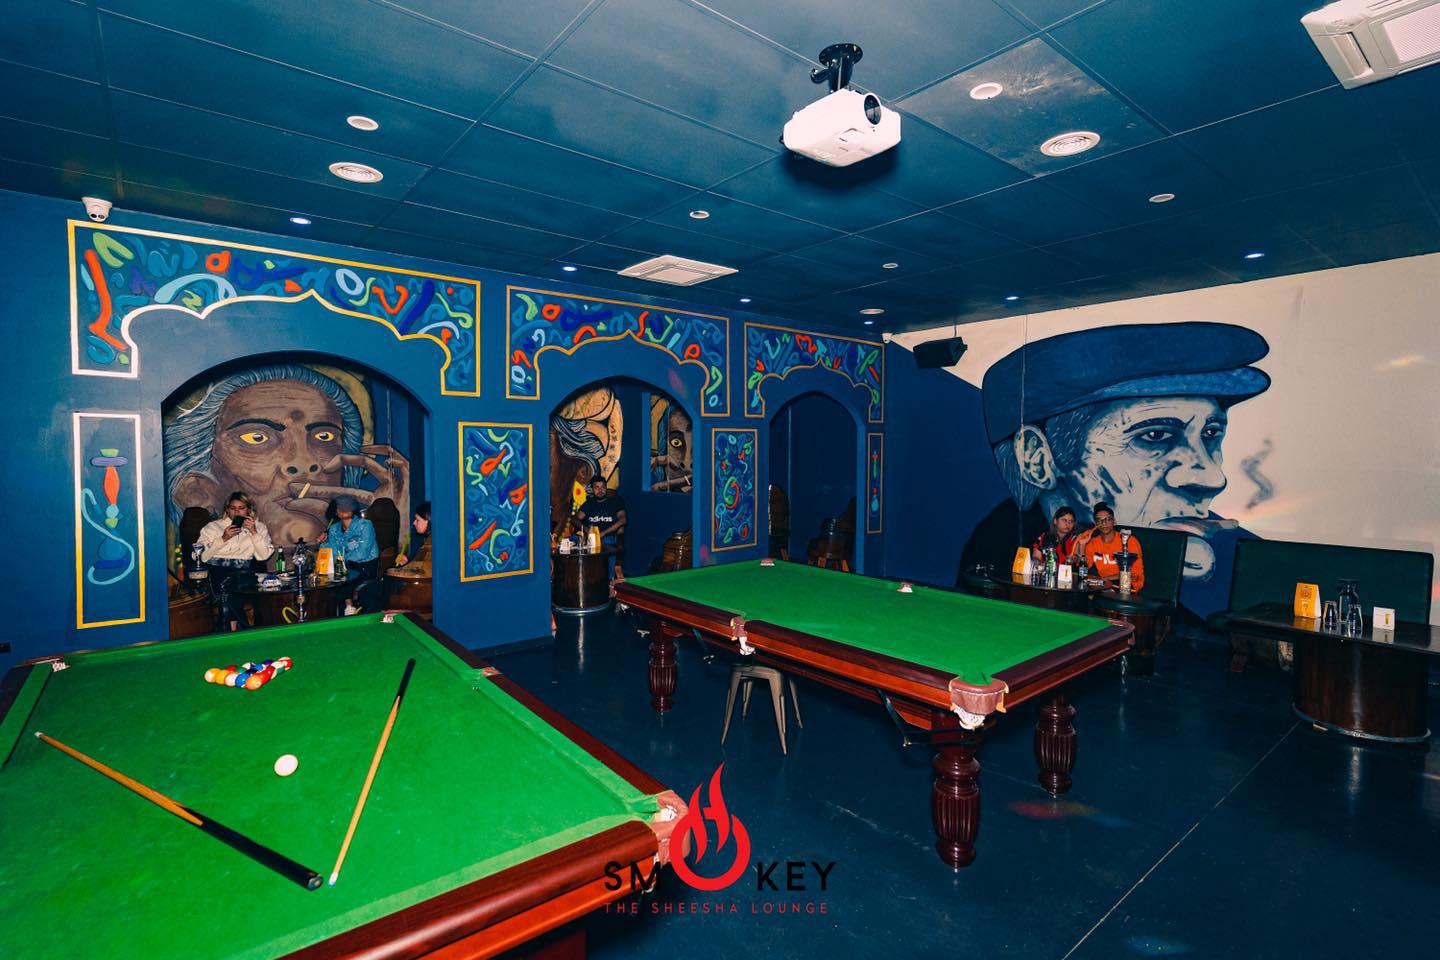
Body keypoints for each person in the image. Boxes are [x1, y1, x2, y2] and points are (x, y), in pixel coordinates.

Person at [962, 322, 1270, 592]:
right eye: (1154, 436)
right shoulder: (1003, 554)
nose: (1213, 479)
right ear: (1036, 460)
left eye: (1211, 433)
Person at [164, 362, 410, 548]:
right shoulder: (214, 536)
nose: (303, 463)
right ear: (197, 488)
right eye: (256, 438)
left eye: (324, 436)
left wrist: (394, 525)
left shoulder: (347, 534)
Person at [195, 492, 273, 630]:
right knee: (227, 585)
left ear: (248, 509)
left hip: (244, 572)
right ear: (227, 509)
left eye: (241, 508)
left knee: (232, 587)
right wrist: (223, 538)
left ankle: (229, 628)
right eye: (233, 508)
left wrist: (254, 532)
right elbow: (200, 556)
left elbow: (263, 556)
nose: (237, 512)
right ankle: (239, 627)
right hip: (217, 570)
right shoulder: (213, 527)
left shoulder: (259, 527)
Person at [322, 494, 380, 612]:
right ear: (335, 511)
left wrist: (341, 560)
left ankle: (349, 606)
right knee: (333, 580)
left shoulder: (365, 525)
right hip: (344, 566)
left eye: (348, 506)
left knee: (344, 579)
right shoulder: (334, 529)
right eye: (341, 507)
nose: (345, 509)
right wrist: (324, 543)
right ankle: (346, 608)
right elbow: (333, 551)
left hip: (365, 567)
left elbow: (362, 553)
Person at [1077, 502, 1144, 591]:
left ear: (1114, 521)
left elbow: (1135, 575)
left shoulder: (1128, 540)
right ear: (1096, 524)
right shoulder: (1093, 543)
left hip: (1127, 585)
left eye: (1108, 519)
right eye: (1099, 520)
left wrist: (1108, 578)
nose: (1104, 523)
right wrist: (1082, 545)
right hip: (1105, 584)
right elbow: (1083, 570)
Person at [573, 475, 627, 581]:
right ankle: (579, 578)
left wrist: (603, 533)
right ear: (592, 490)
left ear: (606, 488)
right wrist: (587, 531)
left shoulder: (615, 502)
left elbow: (623, 520)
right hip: (589, 536)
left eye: (602, 487)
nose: (600, 490)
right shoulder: (589, 503)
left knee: (607, 544)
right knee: (570, 541)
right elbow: (575, 519)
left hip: (607, 536)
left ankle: (610, 579)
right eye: (597, 487)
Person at [392, 501, 431, 576]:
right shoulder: (420, 540)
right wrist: (406, 562)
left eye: (417, 520)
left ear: (428, 521)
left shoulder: (431, 544)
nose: (414, 523)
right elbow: (418, 567)